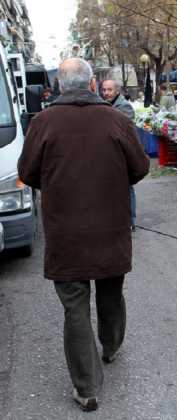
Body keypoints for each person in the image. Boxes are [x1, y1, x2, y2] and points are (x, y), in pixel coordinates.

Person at [18, 58, 149, 412]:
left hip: (66, 233)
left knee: (75, 307)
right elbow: (140, 167)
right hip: (110, 226)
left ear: (60, 86)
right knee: (110, 289)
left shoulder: (43, 122)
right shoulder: (116, 120)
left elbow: (27, 172)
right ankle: (110, 345)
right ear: (92, 85)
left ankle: (87, 387)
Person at [102, 79, 138, 230]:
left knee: (126, 187)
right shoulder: (106, 105)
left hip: (122, 154)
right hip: (110, 154)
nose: (106, 93)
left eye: (109, 90)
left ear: (117, 91)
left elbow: (123, 132)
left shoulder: (123, 106)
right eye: (104, 90)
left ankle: (130, 221)